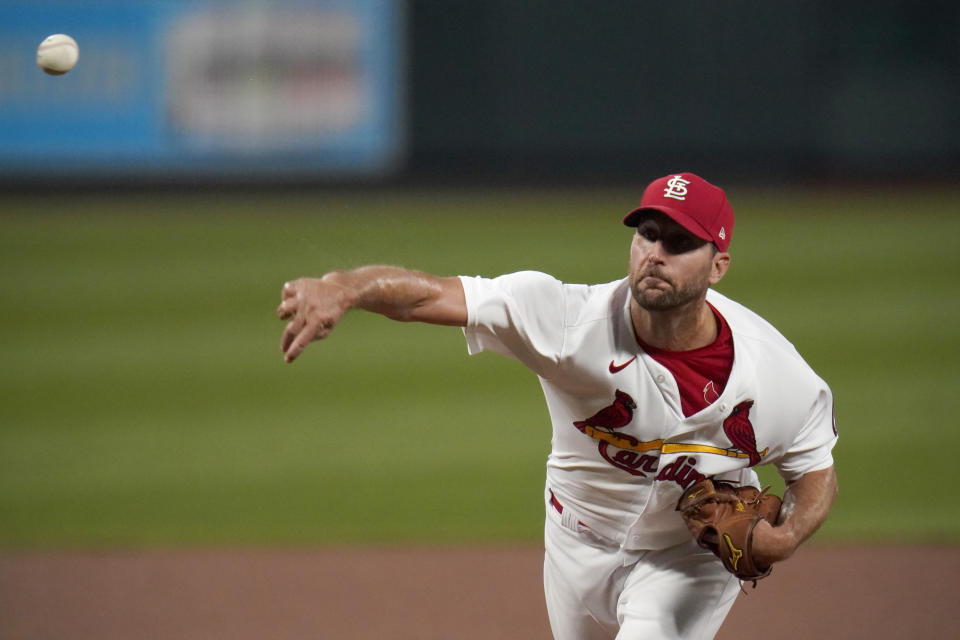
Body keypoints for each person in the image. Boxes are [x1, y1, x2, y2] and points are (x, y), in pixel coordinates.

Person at [276, 173, 839, 640]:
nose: (655, 254)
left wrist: (786, 537)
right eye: (648, 233)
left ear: (718, 266)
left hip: (684, 559)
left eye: (680, 243)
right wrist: (344, 286)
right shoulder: (568, 321)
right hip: (572, 542)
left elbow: (815, 472)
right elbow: (434, 293)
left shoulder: (774, 373)